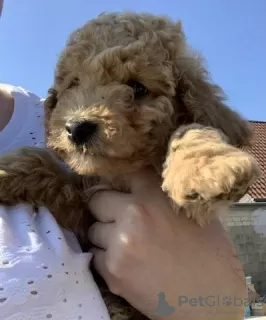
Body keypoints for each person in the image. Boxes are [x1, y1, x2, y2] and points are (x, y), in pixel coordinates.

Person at [0, 2, 248, 320]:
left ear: (186, 101)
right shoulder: (56, 155)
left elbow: (212, 151)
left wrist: (196, 154)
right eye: (74, 84)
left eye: (136, 88)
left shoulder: (188, 143)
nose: (83, 113)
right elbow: (74, 205)